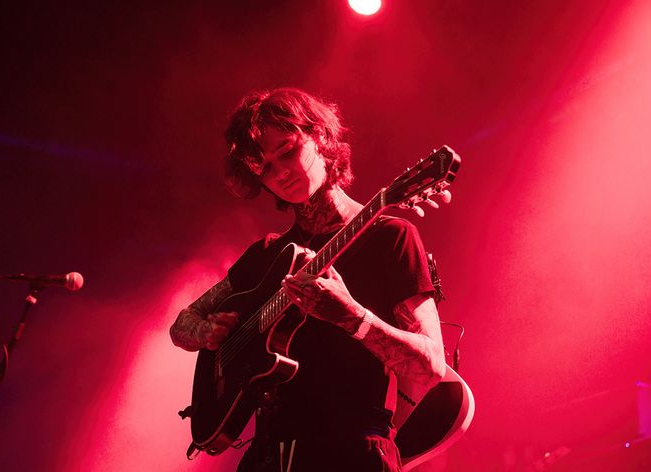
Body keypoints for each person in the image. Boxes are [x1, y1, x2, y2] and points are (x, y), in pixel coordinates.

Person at [170, 88, 447, 472]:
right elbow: (181, 324)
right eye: (263, 167)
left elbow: (430, 367)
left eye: (286, 151)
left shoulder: (390, 237)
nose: (280, 172)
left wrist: (352, 317)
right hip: (270, 457)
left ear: (320, 138)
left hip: (355, 455)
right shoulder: (266, 255)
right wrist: (207, 333)